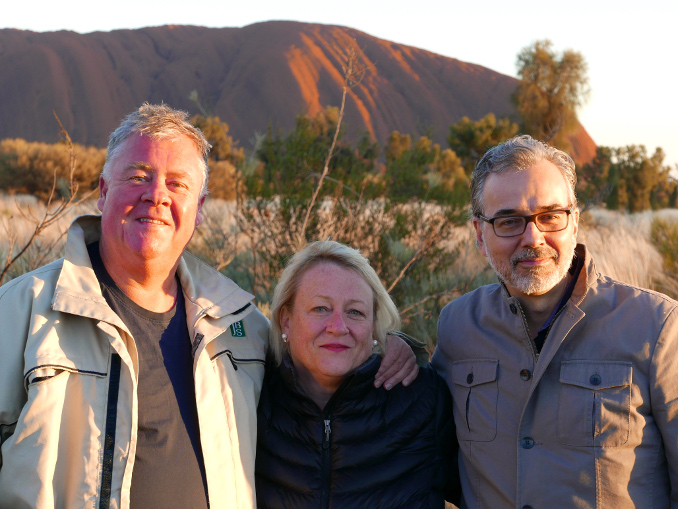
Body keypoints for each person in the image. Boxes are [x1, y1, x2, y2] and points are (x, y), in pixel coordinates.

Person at [0, 103, 417, 509]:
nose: (156, 196)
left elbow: (324, 361)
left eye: (177, 184)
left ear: (198, 210)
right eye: (139, 176)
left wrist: (396, 345)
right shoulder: (23, 310)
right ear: (104, 192)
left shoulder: (238, 325)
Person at [432, 134, 678, 508]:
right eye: (509, 221)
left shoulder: (657, 326)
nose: (533, 237)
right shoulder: (457, 327)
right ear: (480, 236)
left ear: (574, 222)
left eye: (550, 216)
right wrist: (395, 349)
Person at [255, 240, 460, 508]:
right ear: (286, 320)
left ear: (374, 327)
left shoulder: (424, 401)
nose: (338, 327)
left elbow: (484, 490)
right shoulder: (252, 393)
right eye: (320, 309)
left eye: (355, 312)